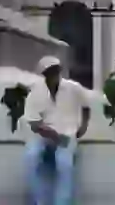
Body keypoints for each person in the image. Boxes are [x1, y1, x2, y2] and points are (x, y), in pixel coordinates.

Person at [23, 55, 92, 205]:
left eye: (55, 71)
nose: (53, 75)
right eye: (49, 72)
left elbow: (86, 105)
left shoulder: (73, 88)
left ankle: (62, 202)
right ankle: (39, 201)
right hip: (44, 134)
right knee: (31, 157)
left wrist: (83, 126)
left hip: (67, 132)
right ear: (44, 74)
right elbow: (33, 122)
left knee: (64, 163)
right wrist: (51, 134)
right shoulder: (36, 91)